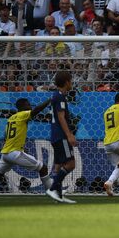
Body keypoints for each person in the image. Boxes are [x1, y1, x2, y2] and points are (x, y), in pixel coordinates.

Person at [0, 98, 54, 199]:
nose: (30, 106)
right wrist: (49, 100)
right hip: (14, 153)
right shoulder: (23, 114)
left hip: (6, 153)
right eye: (28, 104)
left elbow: (7, 136)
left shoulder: (11, 118)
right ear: (22, 107)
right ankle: (51, 193)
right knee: (43, 168)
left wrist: (19, 146)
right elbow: (37, 110)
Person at [45, 71, 77, 204]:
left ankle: (58, 196)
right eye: (71, 80)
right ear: (66, 82)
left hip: (56, 135)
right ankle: (52, 189)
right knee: (71, 164)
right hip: (61, 136)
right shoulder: (59, 96)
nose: (72, 83)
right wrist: (69, 135)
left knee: (58, 165)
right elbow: (61, 117)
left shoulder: (57, 96)